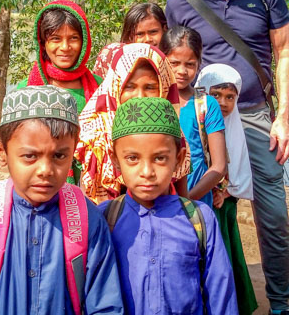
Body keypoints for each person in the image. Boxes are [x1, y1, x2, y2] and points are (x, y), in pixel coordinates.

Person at [165, 0, 289, 314]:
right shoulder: (180, 1)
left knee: (270, 211)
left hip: (255, 113)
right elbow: (172, 61)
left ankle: (279, 303)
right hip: (202, 119)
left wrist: (284, 117)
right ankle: (209, 296)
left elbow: (284, 50)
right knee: (204, 204)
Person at [0, 86, 124, 314]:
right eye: (30, 156)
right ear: (2, 151)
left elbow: (106, 305)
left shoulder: (88, 221)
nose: (46, 170)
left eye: (59, 156)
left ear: (73, 151)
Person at [99, 97, 238, 314]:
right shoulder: (106, 219)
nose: (147, 172)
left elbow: (221, 294)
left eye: (160, 158)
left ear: (179, 158)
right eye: (133, 158)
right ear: (115, 160)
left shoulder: (199, 218)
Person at [76, 42, 189, 203]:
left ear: (164, 87)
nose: (140, 96)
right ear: (116, 86)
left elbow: (182, 200)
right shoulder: (95, 135)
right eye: (129, 87)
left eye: (150, 87)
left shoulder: (173, 133)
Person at [196, 63, 258, 315]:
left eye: (229, 97)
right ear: (203, 94)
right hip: (199, 197)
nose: (222, 102)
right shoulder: (194, 121)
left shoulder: (234, 127)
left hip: (223, 205)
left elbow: (240, 168)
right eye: (216, 95)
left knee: (224, 254)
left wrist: (225, 191)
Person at [159, 26, 228, 206]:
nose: (182, 71)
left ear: (199, 63)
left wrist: (187, 199)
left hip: (196, 198)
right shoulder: (154, 100)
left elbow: (219, 166)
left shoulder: (206, 105)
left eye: (190, 64)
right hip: (156, 195)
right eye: (174, 63)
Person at [18, 0, 101, 113]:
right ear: (42, 43)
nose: (65, 47)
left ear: (84, 42)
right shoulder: (25, 89)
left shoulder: (100, 87)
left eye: (74, 38)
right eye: (55, 39)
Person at [93, 3, 168, 78]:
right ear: (129, 36)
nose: (147, 39)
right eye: (140, 34)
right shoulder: (111, 56)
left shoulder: (173, 59)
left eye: (153, 32)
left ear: (164, 29)